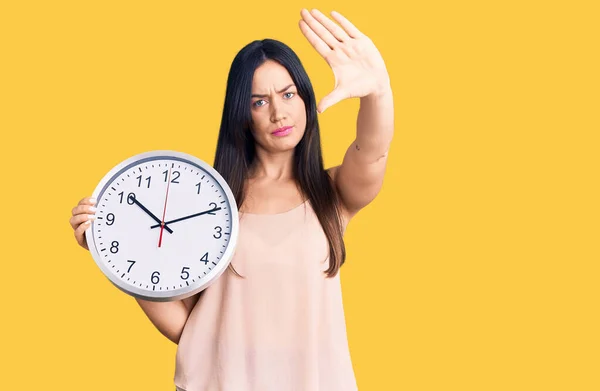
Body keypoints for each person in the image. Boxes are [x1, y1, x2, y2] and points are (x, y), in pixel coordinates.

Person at [69, 8, 394, 391]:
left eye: (288, 94)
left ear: (305, 98)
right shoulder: (207, 203)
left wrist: (378, 90)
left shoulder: (332, 193)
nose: (278, 112)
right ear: (243, 115)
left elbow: (372, 151)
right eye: (259, 102)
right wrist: (111, 251)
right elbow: (189, 328)